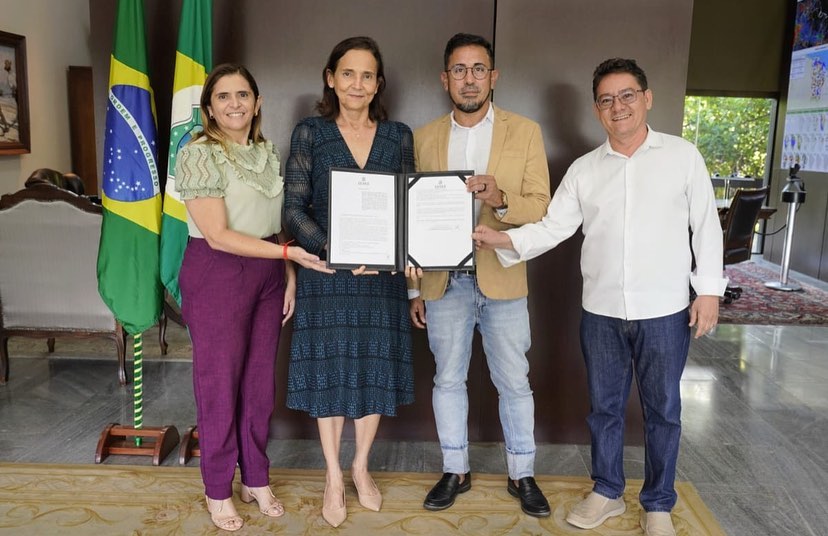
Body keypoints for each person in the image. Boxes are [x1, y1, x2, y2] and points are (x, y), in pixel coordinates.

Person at [471, 58, 727, 536]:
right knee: (604, 408)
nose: (618, 106)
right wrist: (506, 241)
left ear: (647, 99)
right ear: (596, 110)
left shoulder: (682, 156)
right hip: (601, 313)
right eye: (607, 100)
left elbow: (705, 227)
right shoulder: (585, 170)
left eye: (627, 95)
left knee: (663, 410)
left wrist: (708, 290)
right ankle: (607, 491)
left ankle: (657, 504)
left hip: (665, 310)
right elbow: (553, 227)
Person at [176, 63, 332, 532]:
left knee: (259, 383)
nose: (234, 104)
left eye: (243, 95)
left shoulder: (265, 152)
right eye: (223, 97)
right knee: (220, 383)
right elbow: (220, 235)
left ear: (258, 102)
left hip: (267, 270)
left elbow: (273, 223)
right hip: (216, 270)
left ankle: (256, 477)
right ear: (209, 108)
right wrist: (289, 253)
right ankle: (218, 486)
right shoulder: (198, 153)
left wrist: (284, 271)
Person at [409, 33, 552, 517]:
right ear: (444, 78)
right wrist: (414, 287)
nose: (468, 78)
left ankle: (522, 473)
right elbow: (411, 219)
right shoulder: (424, 137)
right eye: (459, 69)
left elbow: (541, 206)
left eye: (478, 69)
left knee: (514, 380)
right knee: (447, 379)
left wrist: (499, 198)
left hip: (504, 276)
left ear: (493, 77)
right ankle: (456, 470)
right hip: (442, 281)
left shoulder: (525, 131)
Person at [283, 36, 415, 528]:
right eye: (348, 73)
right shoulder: (310, 133)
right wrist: (334, 249)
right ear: (330, 77)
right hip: (326, 276)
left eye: (367, 75)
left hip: (381, 282)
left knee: (372, 370)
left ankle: (362, 467)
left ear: (378, 83)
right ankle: (333, 475)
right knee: (330, 374)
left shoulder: (398, 134)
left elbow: (408, 209)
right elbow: (293, 210)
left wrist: (405, 253)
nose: (357, 84)